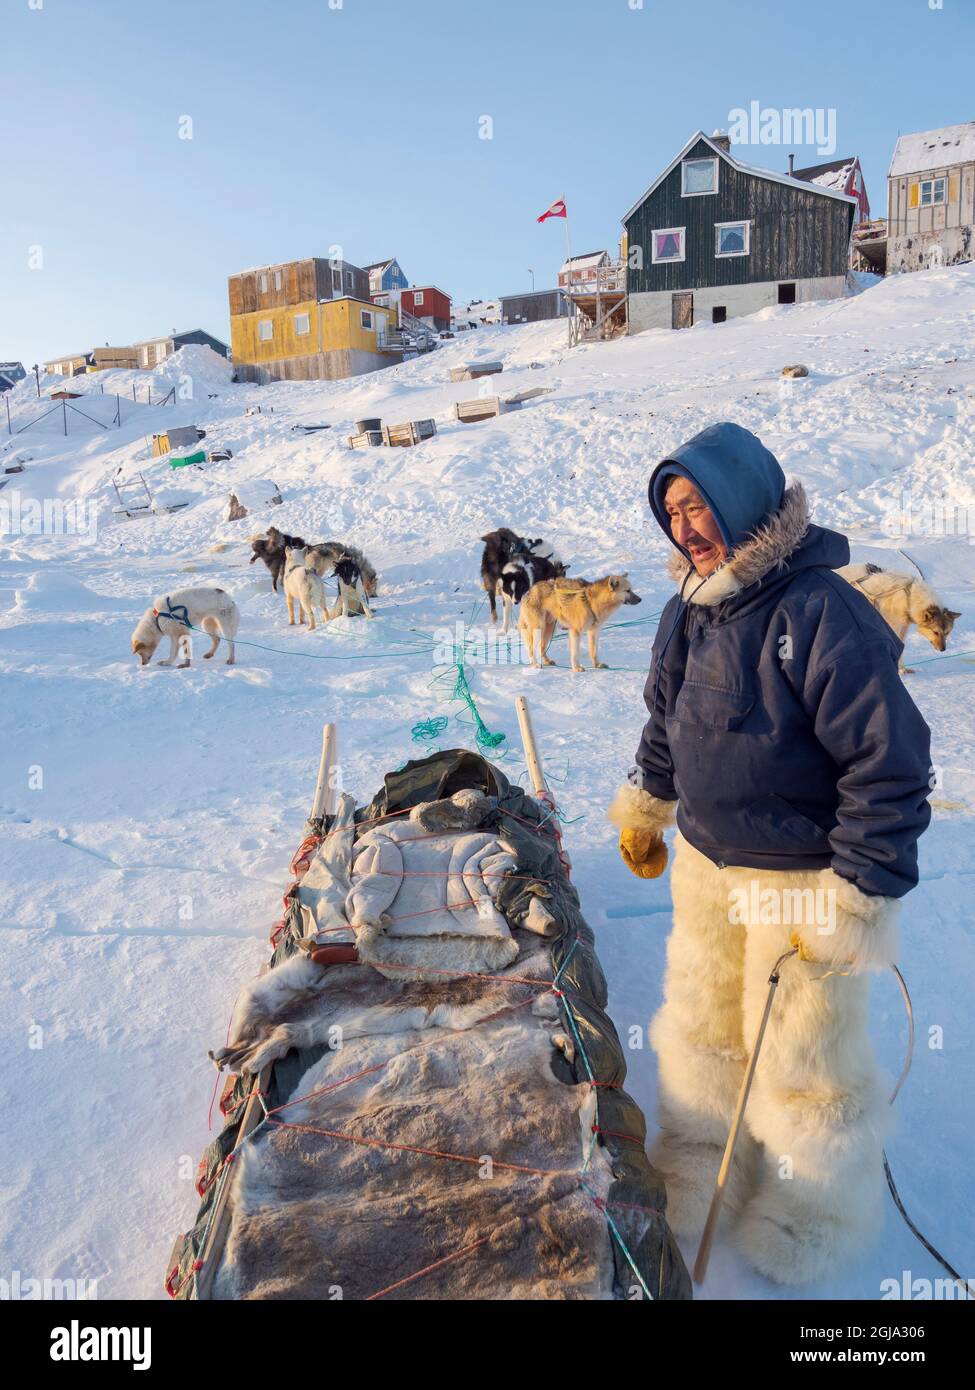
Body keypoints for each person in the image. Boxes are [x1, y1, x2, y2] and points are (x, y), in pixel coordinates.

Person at [608, 421, 932, 1284]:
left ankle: (816, 1213)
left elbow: (888, 761)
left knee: (803, 1062)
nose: (684, 526)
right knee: (704, 1027)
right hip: (708, 868)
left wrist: (856, 895)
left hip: (802, 884)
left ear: (743, 500)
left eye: (697, 504)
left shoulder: (821, 610)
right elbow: (663, 724)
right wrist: (646, 805)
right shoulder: (687, 609)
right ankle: (699, 1167)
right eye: (670, 511)